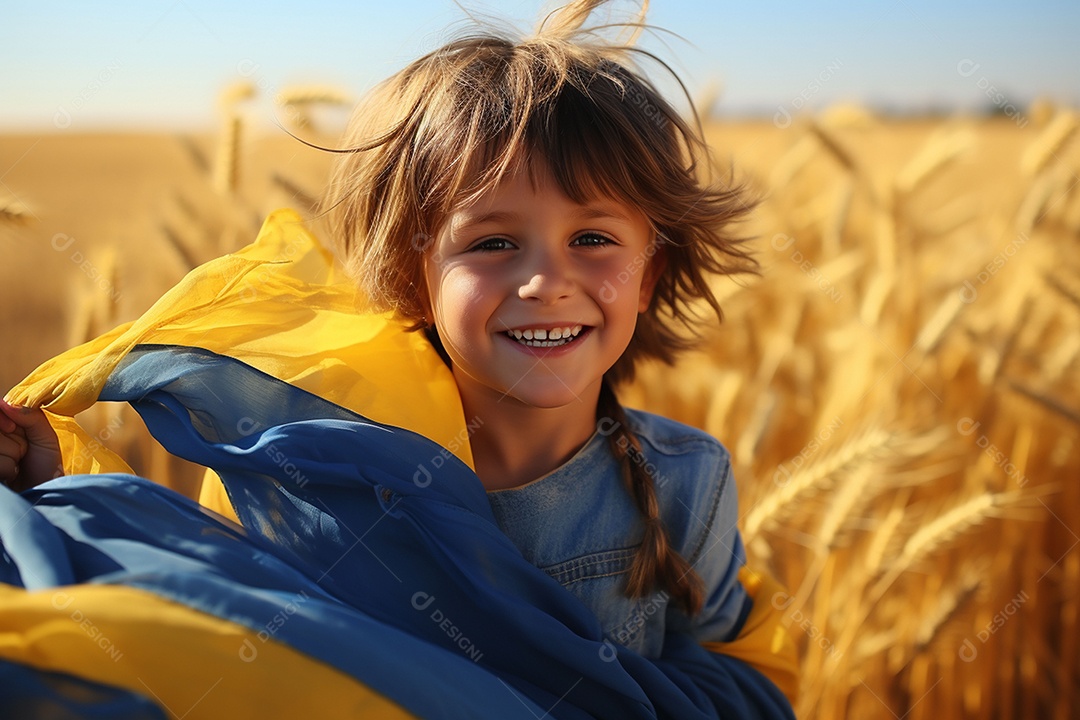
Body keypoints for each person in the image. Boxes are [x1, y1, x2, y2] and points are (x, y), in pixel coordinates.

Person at [2, 1, 798, 715]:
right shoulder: (311, 467)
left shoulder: (689, 481)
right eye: (492, 242)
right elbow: (214, 606)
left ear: (650, 271)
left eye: (593, 239)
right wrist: (59, 486)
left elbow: (729, 677)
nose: (547, 281)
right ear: (410, 279)